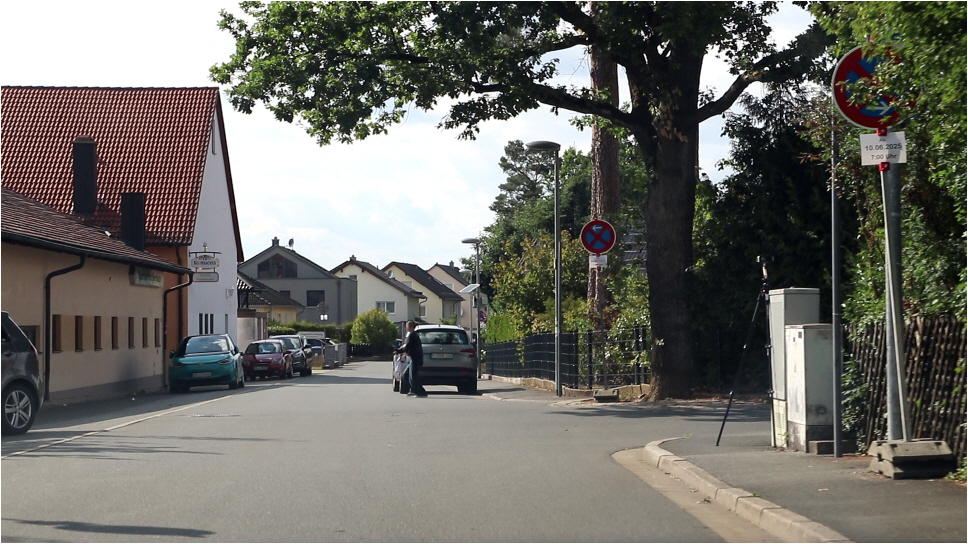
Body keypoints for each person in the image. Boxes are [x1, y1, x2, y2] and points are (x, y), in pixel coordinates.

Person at [394, 321, 427, 397]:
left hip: (415, 359)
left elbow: (407, 346)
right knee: (406, 374)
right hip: (413, 358)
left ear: (411, 327)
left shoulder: (412, 335)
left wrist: (398, 351)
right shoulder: (412, 335)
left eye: (407, 327)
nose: (406, 328)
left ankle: (421, 393)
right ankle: (413, 390)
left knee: (413, 376)